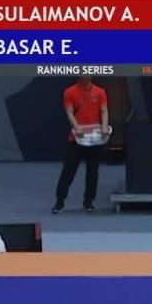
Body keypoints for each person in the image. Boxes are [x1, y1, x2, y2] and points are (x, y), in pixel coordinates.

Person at [53, 76, 110, 213]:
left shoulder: (100, 92)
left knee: (93, 172)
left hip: (95, 138)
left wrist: (104, 125)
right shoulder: (69, 92)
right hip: (77, 139)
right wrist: (76, 126)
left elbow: (104, 110)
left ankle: (88, 202)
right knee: (68, 171)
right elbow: (69, 112)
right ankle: (59, 202)